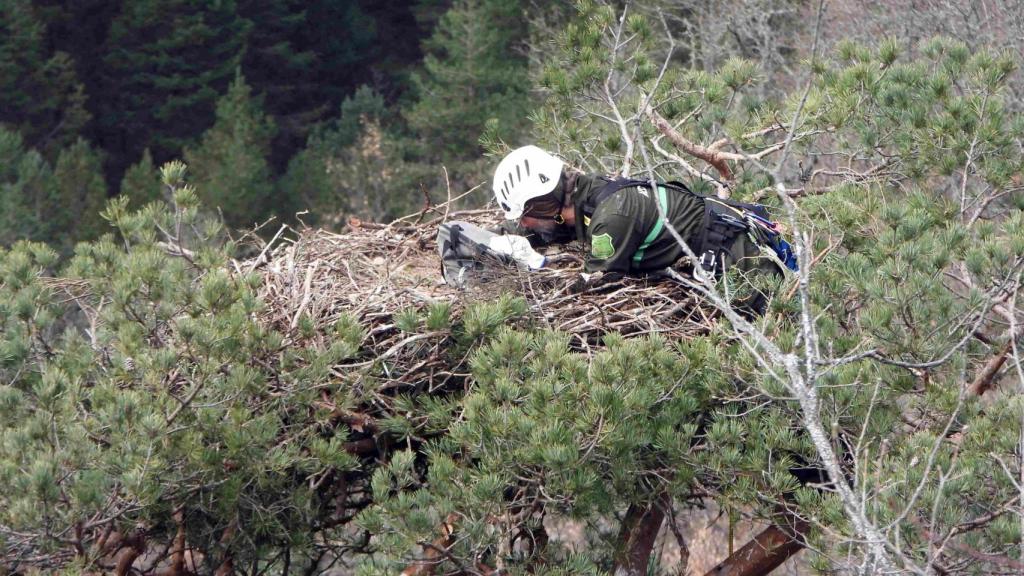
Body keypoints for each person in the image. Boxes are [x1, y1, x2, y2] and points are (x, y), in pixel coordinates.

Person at [492, 145, 796, 284]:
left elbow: (595, 282)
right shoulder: (586, 195)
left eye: (523, 216)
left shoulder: (611, 217)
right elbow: (555, 228)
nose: (522, 223)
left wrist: (538, 280)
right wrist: (497, 241)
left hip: (750, 276)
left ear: (544, 204)